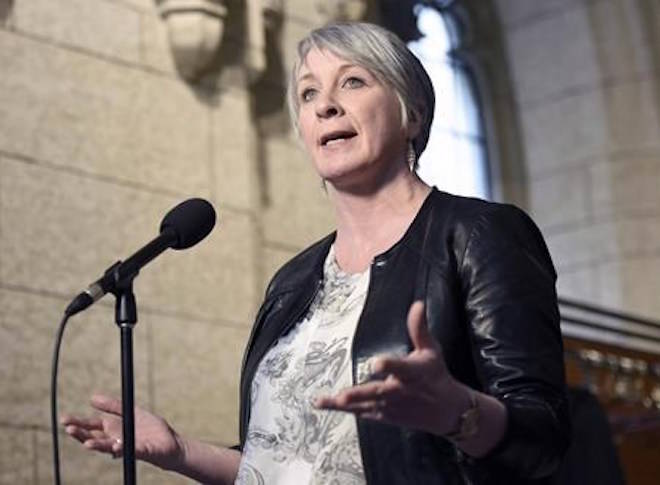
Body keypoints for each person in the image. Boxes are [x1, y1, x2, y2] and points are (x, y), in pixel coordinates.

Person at [62, 22, 570, 484]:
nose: (325, 104)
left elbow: (544, 439)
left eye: (353, 82)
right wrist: (179, 451)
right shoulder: (294, 280)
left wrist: (460, 412)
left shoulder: (479, 234)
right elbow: (286, 461)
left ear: (412, 114)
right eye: (308, 93)